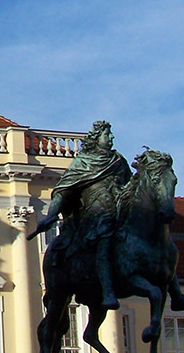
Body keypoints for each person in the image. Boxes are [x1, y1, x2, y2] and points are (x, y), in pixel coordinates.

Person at [29, 120, 131, 309]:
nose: (111, 137)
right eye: (107, 135)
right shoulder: (82, 163)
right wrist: (52, 215)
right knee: (105, 238)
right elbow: (62, 191)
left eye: (110, 134)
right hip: (93, 219)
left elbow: (130, 188)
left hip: (118, 215)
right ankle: (108, 290)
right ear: (96, 138)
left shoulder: (118, 161)